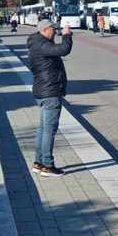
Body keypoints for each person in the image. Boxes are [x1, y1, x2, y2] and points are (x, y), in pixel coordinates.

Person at [27, 18, 73, 176]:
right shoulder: (43, 45)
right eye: (54, 29)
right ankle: (47, 165)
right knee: (49, 131)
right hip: (50, 92)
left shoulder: (37, 42)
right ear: (46, 29)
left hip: (43, 91)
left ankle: (38, 162)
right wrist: (67, 35)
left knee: (43, 130)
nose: (55, 32)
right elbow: (64, 49)